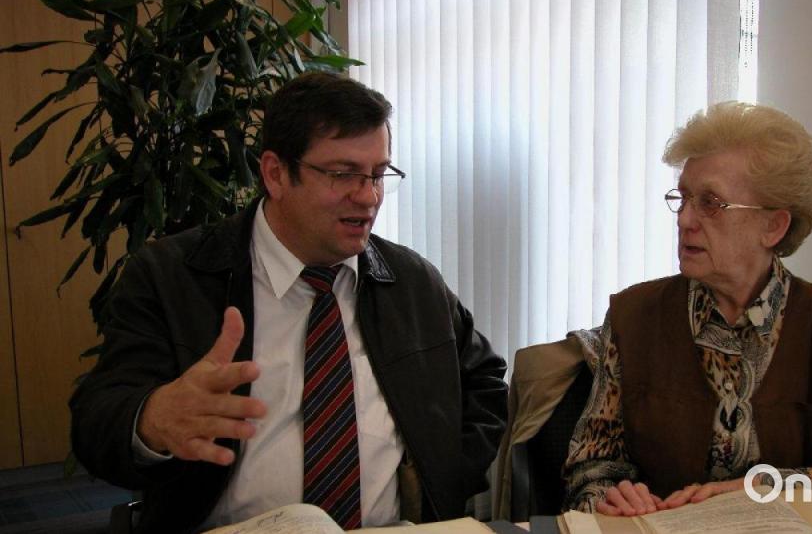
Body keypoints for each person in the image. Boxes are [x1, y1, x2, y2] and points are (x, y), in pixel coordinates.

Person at [69, 72, 508, 533]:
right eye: (343, 174)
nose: (368, 197)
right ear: (275, 174)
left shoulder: (412, 282)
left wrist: (446, 478)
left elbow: (484, 381)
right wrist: (151, 419)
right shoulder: (171, 276)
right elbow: (95, 422)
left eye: (379, 174)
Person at [562, 102, 812, 516]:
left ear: (773, 226)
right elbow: (589, 469)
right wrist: (611, 497)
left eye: (711, 203)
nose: (685, 219)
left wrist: (770, 487)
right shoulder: (634, 316)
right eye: (683, 198)